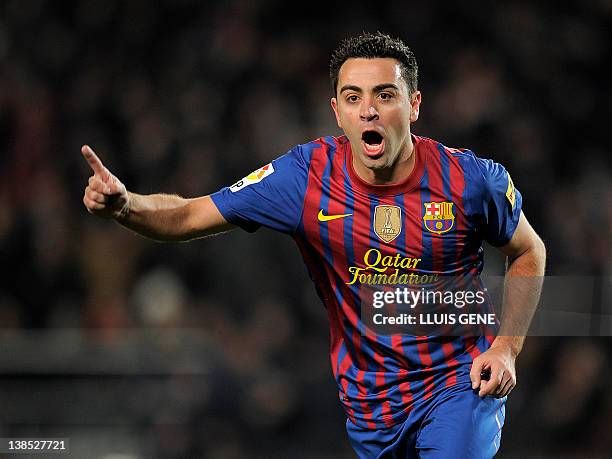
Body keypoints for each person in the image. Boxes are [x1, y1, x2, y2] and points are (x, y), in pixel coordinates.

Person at [81, 32, 546, 458]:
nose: (369, 110)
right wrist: (126, 206)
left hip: (458, 386)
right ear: (337, 110)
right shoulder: (304, 178)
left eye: (385, 95)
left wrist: (506, 347)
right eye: (353, 97)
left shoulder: (469, 181)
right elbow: (189, 214)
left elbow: (529, 251)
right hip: (371, 406)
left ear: (414, 104)